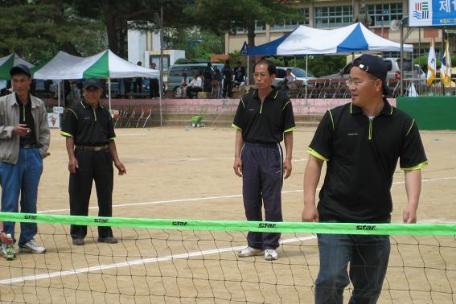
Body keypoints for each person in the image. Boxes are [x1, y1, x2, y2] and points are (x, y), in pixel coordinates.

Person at [302, 54, 428, 303]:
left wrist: (412, 204)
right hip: (335, 216)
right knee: (330, 279)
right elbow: (315, 161)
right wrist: (308, 203)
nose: (351, 86)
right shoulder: (334, 118)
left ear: (377, 84)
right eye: (350, 81)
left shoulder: (404, 124)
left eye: (357, 81)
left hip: (376, 220)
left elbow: (412, 167)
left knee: (369, 289)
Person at [232, 59, 295, 261]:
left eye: (262, 75)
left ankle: (270, 244)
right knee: (250, 200)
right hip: (249, 152)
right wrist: (237, 156)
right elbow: (239, 131)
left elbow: (288, 133)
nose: (258, 78)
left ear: (272, 77)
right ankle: (254, 243)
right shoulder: (246, 100)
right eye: (256, 75)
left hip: (271, 153)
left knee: (272, 202)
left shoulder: (283, 100)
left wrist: (289, 158)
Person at [61, 78, 126, 246]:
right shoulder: (74, 111)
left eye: (95, 90)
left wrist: (117, 161)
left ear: (100, 92)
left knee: (105, 195)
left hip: (103, 156)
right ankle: (78, 233)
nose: (92, 93)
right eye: (88, 90)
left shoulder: (105, 112)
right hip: (82, 155)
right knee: (79, 195)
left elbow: (111, 139)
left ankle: (105, 233)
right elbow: (69, 137)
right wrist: (71, 157)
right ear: (83, 92)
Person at [0, 64, 50, 260]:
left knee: (30, 201)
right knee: (10, 201)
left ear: (29, 82)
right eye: (15, 81)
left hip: (33, 156)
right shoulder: (3, 102)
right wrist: (12, 130)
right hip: (10, 158)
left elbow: (45, 131)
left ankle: (28, 239)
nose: (18, 85)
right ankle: (6, 241)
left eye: (22, 81)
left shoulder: (38, 104)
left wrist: (40, 152)